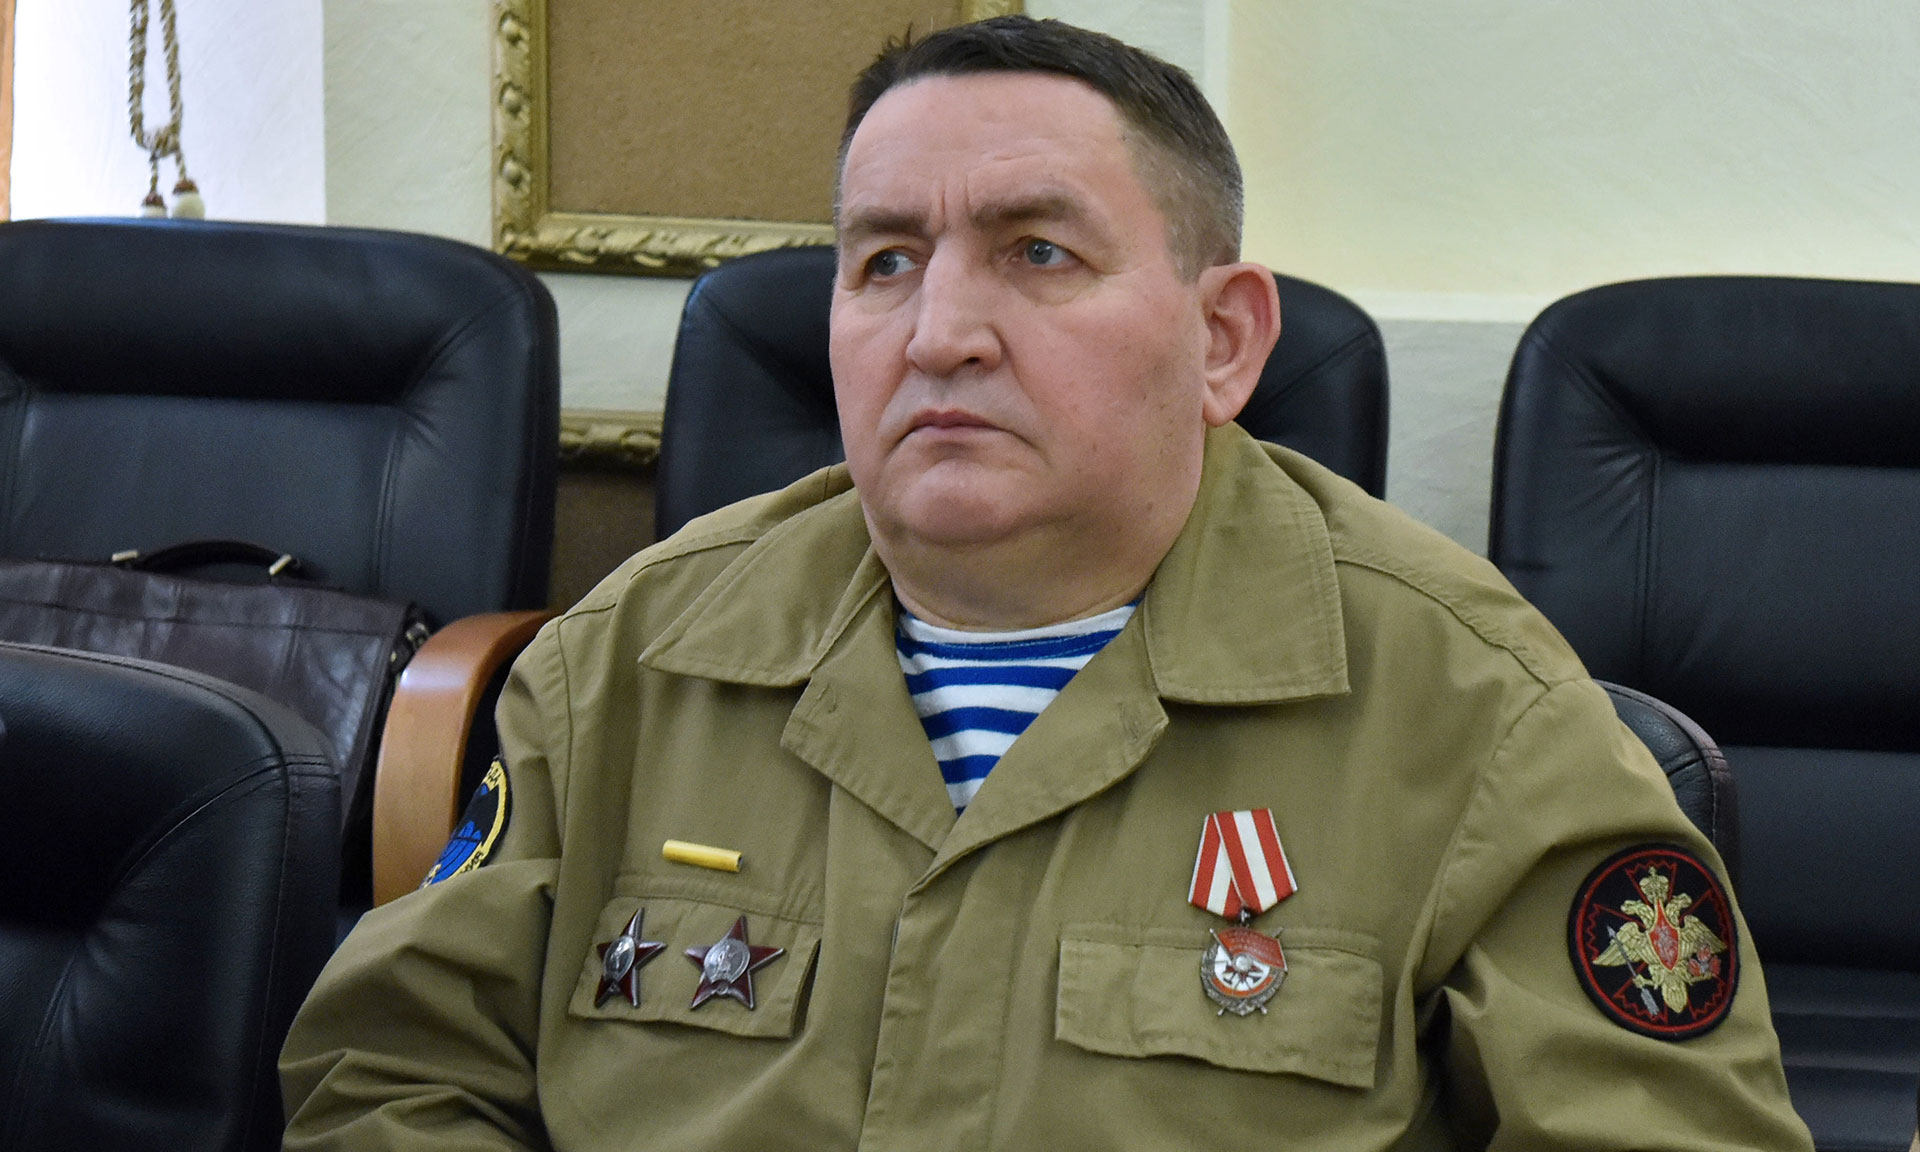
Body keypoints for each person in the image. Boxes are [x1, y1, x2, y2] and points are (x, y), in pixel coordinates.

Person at [281, 16, 1814, 1150]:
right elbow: (393, 1078)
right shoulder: (633, 658)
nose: (939, 331)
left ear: (1223, 341)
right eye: (884, 261)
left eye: (1036, 254)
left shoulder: (1477, 712)